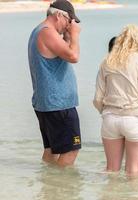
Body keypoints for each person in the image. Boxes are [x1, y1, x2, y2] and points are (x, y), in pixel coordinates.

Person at [93, 24, 138, 176]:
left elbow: (97, 98)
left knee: (111, 169)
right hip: (135, 118)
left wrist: (106, 112)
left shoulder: (107, 61)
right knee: (133, 172)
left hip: (110, 119)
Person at [28, 0, 81, 167]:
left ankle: (49, 187)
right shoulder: (47, 32)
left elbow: (62, 54)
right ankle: (61, 190)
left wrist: (67, 35)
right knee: (71, 149)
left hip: (48, 103)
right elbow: (73, 56)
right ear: (59, 15)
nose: (69, 26)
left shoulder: (39, 31)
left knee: (52, 150)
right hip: (59, 105)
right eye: (69, 21)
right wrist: (75, 35)